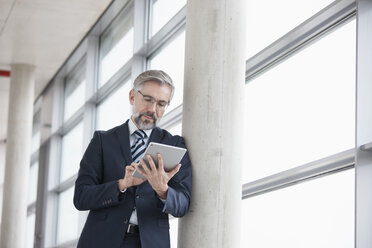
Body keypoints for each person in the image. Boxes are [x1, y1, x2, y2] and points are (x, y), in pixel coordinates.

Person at [73, 70, 192, 248]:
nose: (153, 109)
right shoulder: (103, 141)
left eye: (161, 104)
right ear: (132, 96)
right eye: (148, 99)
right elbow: (81, 197)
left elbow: (183, 204)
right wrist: (121, 184)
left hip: (150, 242)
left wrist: (163, 191)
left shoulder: (174, 145)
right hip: (101, 240)